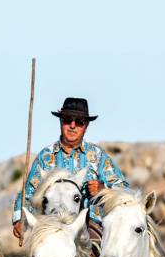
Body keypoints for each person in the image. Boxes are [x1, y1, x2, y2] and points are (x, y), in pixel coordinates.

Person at [12, 97, 128, 241]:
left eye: (79, 122)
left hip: (92, 233)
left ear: (86, 126)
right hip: (52, 231)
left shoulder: (98, 156)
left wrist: (103, 190)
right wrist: (19, 219)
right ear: (61, 122)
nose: (72, 126)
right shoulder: (46, 157)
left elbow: (125, 193)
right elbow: (28, 194)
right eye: (67, 120)